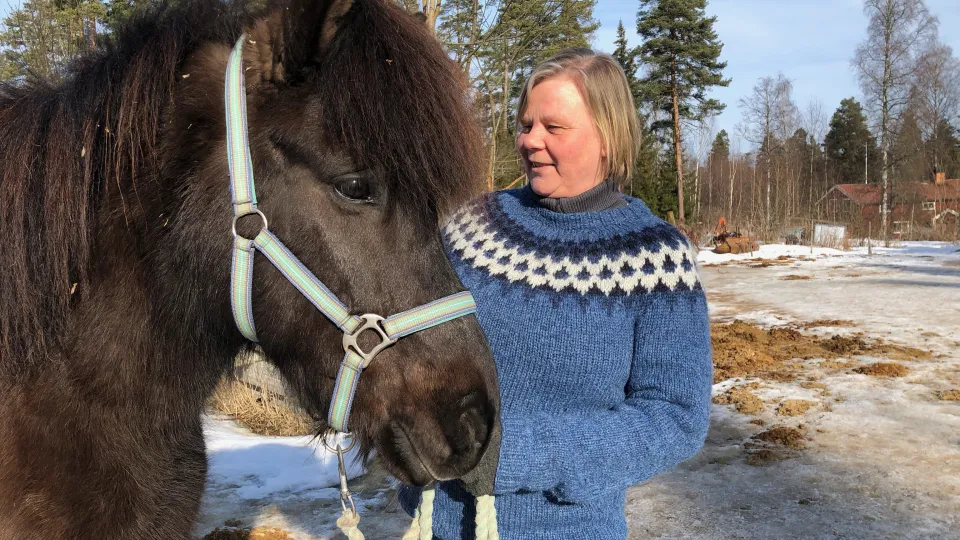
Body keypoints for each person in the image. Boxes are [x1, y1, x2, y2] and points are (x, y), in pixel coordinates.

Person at [399, 48, 713, 540]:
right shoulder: (471, 225)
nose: (530, 141)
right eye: (526, 125)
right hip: (433, 523)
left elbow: (675, 418)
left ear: (608, 137)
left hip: (568, 530)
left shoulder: (654, 259)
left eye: (554, 127)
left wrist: (516, 453)